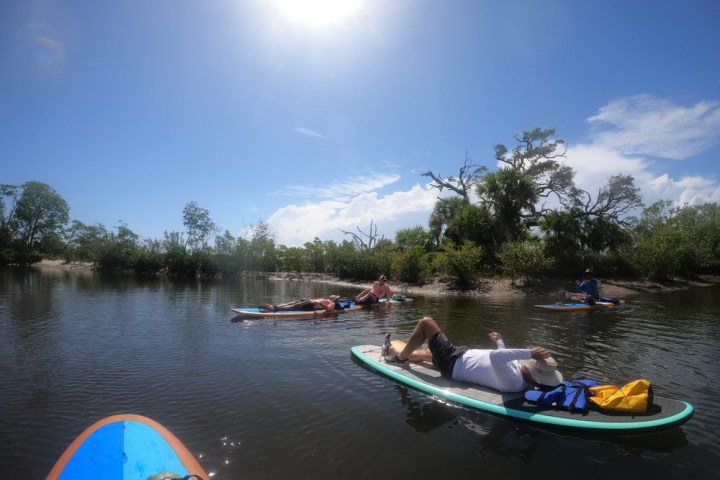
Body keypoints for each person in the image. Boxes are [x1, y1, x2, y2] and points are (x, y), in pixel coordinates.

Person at [382, 316, 562, 393]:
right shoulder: (521, 373)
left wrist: (529, 352)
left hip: (453, 362)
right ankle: (390, 350)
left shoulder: (515, 382)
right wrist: (499, 341)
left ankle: (400, 358)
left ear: (534, 375)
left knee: (426, 323)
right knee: (424, 354)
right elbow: (502, 356)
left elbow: (496, 358)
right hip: (459, 356)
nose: (527, 361)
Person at [260, 295, 342, 312]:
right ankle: (276, 306)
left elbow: (328, 309)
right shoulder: (329, 300)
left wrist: (320, 304)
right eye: (337, 299)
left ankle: (278, 308)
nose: (338, 300)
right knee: (292, 302)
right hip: (310, 302)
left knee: (294, 306)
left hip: (311, 305)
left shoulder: (332, 303)